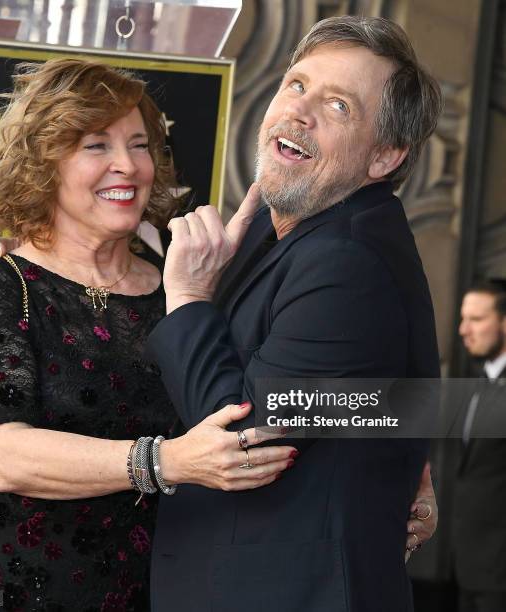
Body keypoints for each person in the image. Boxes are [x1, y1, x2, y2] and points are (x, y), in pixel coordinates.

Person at [0, 58, 297, 611]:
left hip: (147, 594)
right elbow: (7, 457)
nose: (127, 166)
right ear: (43, 163)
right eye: (96, 145)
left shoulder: (184, 291)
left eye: (140, 144)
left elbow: (268, 413)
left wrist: (405, 471)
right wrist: (167, 461)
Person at [144, 15, 442, 611]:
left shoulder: (349, 259)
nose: (298, 112)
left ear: (384, 155)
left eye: (338, 107)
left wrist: (188, 297)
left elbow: (240, 442)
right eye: (297, 84)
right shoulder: (272, 224)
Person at [451, 280, 506, 611]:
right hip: (468, 569)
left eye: (476, 319)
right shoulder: (477, 385)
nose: (462, 330)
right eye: (463, 318)